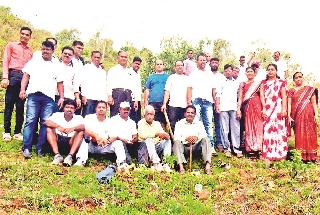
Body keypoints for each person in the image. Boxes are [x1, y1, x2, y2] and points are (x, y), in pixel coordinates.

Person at [19, 40, 64, 158]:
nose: (45, 51)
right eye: (43, 49)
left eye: (48, 49)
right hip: (33, 95)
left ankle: (40, 148)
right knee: (30, 120)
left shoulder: (57, 65)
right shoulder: (34, 62)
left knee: (45, 123)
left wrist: (62, 97)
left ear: (53, 51)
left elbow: (60, 82)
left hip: (48, 98)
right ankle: (26, 147)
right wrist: (22, 90)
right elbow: (26, 76)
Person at [1, 27, 33, 141]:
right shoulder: (11, 45)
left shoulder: (30, 51)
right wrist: (5, 77)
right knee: (9, 105)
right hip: (13, 75)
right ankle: (6, 131)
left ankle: (17, 132)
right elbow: (6, 61)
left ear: (30, 37)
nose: (24, 36)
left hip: (24, 78)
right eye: (22, 34)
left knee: (20, 106)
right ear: (19, 34)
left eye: (27, 34)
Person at [74, 101, 127, 167]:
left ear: (107, 109)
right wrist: (95, 136)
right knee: (85, 140)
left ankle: (122, 163)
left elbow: (114, 136)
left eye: (103, 107)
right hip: (91, 145)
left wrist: (106, 141)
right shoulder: (89, 118)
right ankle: (81, 161)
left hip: (105, 146)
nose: (101, 109)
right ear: (95, 109)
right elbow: (83, 128)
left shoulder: (111, 121)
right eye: (99, 107)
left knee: (118, 143)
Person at [187, 53, 218, 154]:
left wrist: (216, 103)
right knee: (197, 123)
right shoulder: (193, 74)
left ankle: (210, 146)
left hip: (208, 102)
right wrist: (189, 103)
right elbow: (189, 89)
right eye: (201, 60)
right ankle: (198, 147)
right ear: (197, 61)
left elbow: (214, 90)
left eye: (204, 60)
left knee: (208, 124)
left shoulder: (210, 74)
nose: (203, 62)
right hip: (196, 101)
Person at [288, 72, 318, 162]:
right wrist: (289, 116)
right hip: (296, 115)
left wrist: (316, 114)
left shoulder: (309, 90)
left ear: (303, 78)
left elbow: (313, 103)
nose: (298, 79)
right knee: (299, 134)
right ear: (293, 80)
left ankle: (311, 157)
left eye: (300, 77)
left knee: (310, 133)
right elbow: (289, 103)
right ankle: (300, 156)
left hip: (308, 114)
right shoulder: (291, 91)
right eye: (296, 78)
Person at [260, 63, 288, 162]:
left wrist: (284, 109)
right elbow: (262, 96)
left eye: (272, 69)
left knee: (279, 130)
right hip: (267, 109)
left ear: (276, 71)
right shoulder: (263, 83)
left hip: (278, 109)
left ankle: (281, 154)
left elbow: (284, 96)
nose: (270, 71)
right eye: (269, 69)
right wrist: (263, 108)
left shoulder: (281, 82)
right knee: (268, 130)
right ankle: (268, 154)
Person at [173, 105, 212, 174]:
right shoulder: (179, 123)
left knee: (206, 140)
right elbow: (176, 137)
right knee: (176, 142)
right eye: (188, 112)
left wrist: (196, 138)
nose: (190, 114)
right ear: (185, 114)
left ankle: (207, 166)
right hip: (184, 148)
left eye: (192, 113)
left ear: (195, 114)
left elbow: (203, 135)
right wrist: (186, 138)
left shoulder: (199, 123)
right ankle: (181, 167)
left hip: (196, 147)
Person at [45, 99, 84, 166]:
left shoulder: (79, 117)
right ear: (63, 108)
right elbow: (47, 122)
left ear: (75, 110)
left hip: (71, 142)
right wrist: (58, 127)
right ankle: (57, 156)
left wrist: (73, 128)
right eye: (67, 107)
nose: (69, 109)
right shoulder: (57, 115)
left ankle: (70, 157)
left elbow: (83, 127)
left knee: (80, 132)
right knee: (49, 128)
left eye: (72, 108)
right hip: (58, 140)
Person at [237, 67, 263, 158]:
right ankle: (250, 149)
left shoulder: (259, 84)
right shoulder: (242, 84)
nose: (250, 73)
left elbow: (262, 96)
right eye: (248, 71)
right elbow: (240, 97)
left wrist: (264, 108)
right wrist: (238, 109)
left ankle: (258, 148)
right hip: (247, 106)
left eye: (251, 71)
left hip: (257, 105)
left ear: (254, 73)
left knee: (258, 126)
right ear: (245, 73)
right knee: (249, 126)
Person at [217, 64, 242, 158]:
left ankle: (236, 149)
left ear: (232, 71)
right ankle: (227, 148)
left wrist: (238, 109)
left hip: (234, 108)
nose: (227, 72)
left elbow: (239, 97)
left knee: (236, 129)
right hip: (223, 108)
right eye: (226, 71)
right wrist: (218, 105)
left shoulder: (237, 83)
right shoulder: (221, 82)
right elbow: (218, 95)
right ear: (224, 72)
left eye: (229, 70)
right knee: (224, 129)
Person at [138, 105, 171, 172]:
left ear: (154, 115)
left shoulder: (157, 123)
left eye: (151, 114)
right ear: (144, 115)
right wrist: (156, 134)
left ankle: (166, 163)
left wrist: (165, 135)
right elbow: (142, 135)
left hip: (156, 146)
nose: (150, 116)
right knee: (149, 140)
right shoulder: (141, 122)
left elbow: (162, 133)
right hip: (146, 147)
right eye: (148, 114)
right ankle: (156, 163)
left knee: (168, 141)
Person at [161, 60, 190, 132]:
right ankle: (173, 142)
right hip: (173, 106)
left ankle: (182, 142)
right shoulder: (171, 77)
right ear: (175, 68)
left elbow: (189, 92)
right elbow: (167, 91)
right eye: (178, 65)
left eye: (181, 65)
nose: (180, 67)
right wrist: (164, 104)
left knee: (184, 126)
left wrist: (189, 104)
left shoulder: (187, 78)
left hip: (184, 106)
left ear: (183, 67)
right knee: (172, 125)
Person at [107, 51, 137, 117]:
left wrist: (135, 100)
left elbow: (133, 86)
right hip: (117, 95)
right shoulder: (112, 70)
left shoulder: (130, 72)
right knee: (115, 115)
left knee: (127, 115)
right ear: (118, 58)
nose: (124, 58)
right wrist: (109, 96)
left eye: (125, 57)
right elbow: (108, 84)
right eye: (122, 57)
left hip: (128, 95)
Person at [80, 51, 107, 117]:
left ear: (101, 58)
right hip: (89, 98)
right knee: (87, 119)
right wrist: (83, 95)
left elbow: (104, 86)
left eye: (98, 57)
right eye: (95, 57)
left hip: (100, 99)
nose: (97, 59)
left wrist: (105, 100)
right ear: (91, 57)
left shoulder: (103, 72)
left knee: (99, 119)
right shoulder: (86, 68)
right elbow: (82, 82)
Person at [144, 59, 169, 127]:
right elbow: (147, 90)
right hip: (152, 102)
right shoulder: (151, 77)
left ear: (163, 66)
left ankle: (163, 136)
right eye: (157, 64)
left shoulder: (168, 77)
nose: (159, 66)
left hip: (163, 103)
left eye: (161, 64)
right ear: (155, 66)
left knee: (163, 122)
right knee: (151, 121)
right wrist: (146, 101)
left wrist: (165, 103)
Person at [56, 46, 81, 111]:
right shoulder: (55, 66)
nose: (67, 55)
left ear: (72, 56)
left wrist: (77, 98)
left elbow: (76, 85)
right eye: (65, 53)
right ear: (61, 54)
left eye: (69, 54)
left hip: (69, 97)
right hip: (56, 97)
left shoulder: (74, 69)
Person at [209, 57, 224, 150]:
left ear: (218, 64)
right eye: (213, 62)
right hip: (207, 102)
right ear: (210, 64)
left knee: (218, 123)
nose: (214, 64)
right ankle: (209, 144)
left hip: (219, 102)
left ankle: (219, 142)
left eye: (216, 62)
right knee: (208, 123)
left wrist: (218, 103)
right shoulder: (206, 75)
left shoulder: (221, 77)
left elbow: (222, 90)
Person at [128, 56, 143, 123]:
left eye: (139, 64)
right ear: (132, 63)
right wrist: (135, 100)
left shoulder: (138, 73)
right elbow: (131, 88)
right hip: (132, 100)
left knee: (138, 120)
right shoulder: (129, 73)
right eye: (136, 63)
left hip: (138, 100)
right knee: (132, 119)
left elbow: (138, 88)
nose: (137, 65)